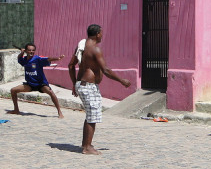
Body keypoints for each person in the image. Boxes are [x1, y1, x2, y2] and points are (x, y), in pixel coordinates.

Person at [68, 24, 131, 155]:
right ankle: (87, 147)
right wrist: (122, 81)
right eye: (101, 33)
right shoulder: (95, 50)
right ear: (97, 34)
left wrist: (74, 84)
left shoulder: (81, 48)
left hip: (82, 84)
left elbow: (70, 66)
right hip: (89, 86)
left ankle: (86, 144)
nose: (102, 35)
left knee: (91, 116)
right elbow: (106, 70)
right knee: (92, 116)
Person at [8, 43, 64, 118]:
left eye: (33, 50)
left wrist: (57, 58)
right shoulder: (24, 60)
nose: (31, 52)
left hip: (40, 84)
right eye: (29, 50)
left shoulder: (37, 59)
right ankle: (16, 110)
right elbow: (19, 59)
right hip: (30, 84)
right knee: (13, 90)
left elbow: (48, 58)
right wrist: (21, 52)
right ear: (26, 51)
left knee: (51, 92)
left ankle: (59, 112)